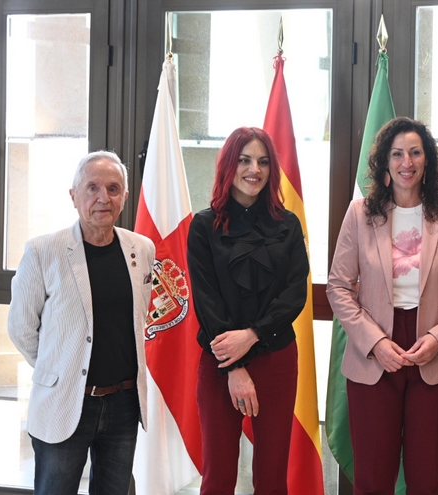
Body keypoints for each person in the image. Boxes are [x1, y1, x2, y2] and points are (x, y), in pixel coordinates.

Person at [327, 117, 438, 495]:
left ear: (427, 160)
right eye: (397, 154)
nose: (407, 162)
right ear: (385, 162)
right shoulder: (360, 213)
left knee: (427, 478)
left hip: (434, 355)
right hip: (374, 355)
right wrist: (376, 342)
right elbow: (338, 287)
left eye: (415, 152)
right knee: (372, 478)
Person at [8, 150, 155, 495]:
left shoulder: (142, 249)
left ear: (124, 197)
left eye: (113, 189)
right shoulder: (43, 251)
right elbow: (21, 328)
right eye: (92, 188)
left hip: (123, 405)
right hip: (64, 401)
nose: (103, 198)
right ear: (74, 196)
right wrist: (60, 369)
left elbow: (139, 316)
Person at [187, 126, 308, 495]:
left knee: (272, 477)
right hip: (220, 360)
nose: (254, 169)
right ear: (229, 165)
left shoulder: (288, 225)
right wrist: (234, 365)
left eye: (263, 161)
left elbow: (294, 294)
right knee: (218, 476)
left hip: (276, 358)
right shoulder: (203, 226)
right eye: (244, 160)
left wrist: (253, 334)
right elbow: (206, 301)